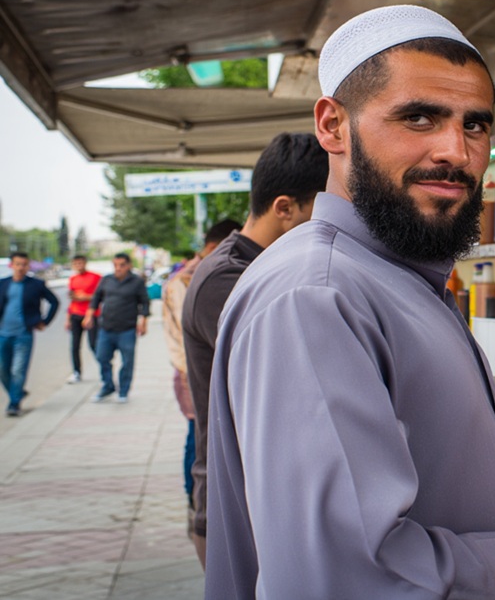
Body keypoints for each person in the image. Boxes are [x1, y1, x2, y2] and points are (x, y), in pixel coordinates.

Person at [204, 5, 495, 599]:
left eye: (475, 125)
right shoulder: (315, 297)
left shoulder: (396, 279)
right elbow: (350, 579)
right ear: (333, 126)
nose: (456, 152)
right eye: (419, 117)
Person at [182, 131, 328, 568]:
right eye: (324, 212)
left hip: (269, 499)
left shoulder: (265, 268)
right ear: (284, 208)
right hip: (237, 506)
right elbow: (304, 375)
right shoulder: (227, 280)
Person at [162, 219, 242, 541]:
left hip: (190, 368)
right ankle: (194, 501)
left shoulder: (196, 274)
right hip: (189, 369)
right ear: (213, 247)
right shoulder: (187, 279)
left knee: (200, 435)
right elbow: (185, 335)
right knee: (198, 437)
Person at [83, 253, 150, 403]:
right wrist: (89, 316)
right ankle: (108, 386)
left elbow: (145, 302)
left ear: (129, 265)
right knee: (101, 357)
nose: (118, 268)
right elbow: (96, 299)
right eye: (115, 265)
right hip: (106, 328)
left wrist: (143, 321)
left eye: (122, 265)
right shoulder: (107, 279)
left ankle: (123, 391)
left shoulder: (137, 282)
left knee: (127, 361)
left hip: (127, 329)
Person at [0, 252, 58, 416]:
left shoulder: (36, 284)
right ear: (11, 265)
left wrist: (44, 321)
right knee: (2, 369)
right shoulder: (2, 284)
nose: (20, 267)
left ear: (28, 266)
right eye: (17, 264)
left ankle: (14, 403)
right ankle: (17, 392)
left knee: (18, 369)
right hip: (2, 334)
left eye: (24, 264)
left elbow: (54, 302)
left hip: (23, 334)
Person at [64, 255, 101, 383]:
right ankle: (76, 372)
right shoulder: (73, 279)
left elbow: (101, 296)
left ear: (85, 263)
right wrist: (67, 318)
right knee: (74, 346)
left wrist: (86, 297)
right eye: (76, 263)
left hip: (91, 315)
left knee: (93, 344)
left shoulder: (95, 277)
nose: (78, 266)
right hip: (75, 314)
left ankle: (104, 369)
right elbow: (72, 299)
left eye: (80, 263)